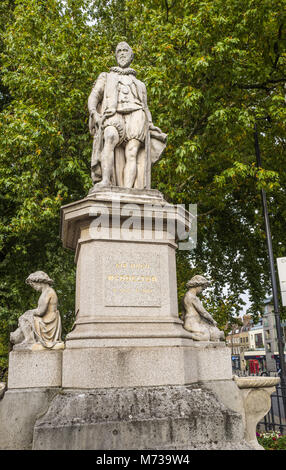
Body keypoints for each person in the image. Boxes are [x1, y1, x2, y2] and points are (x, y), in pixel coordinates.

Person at [88, 42, 167, 189]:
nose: (122, 53)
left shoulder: (140, 84)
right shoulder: (106, 76)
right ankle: (105, 180)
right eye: (119, 51)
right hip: (114, 113)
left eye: (125, 51)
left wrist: (150, 125)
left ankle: (128, 190)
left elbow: (145, 106)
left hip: (137, 114)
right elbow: (94, 95)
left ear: (131, 56)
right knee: (110, 137)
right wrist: (94, 113)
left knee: (132, 152)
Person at [10, 271, 62, 349]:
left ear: (39, 281)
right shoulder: (47, 291)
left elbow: (40, 312)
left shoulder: (48, 292)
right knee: (26, 316)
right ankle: (19, 337)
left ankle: (29, 340)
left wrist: (28, 312)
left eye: (33, 285)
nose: (33, 287)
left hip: (47, 322)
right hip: (47, 320)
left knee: (23, 318)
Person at [182, 275, 225, 342]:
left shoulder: (186, 296)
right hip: (192, 323)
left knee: (211, 332)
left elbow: (183, 313)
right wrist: (212, 320)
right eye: (202, 288)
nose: (202, 291)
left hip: (193, 322)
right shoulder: (192, 297)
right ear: (198, 285)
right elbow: (203, 312)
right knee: (206, 336)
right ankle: (186, 336)